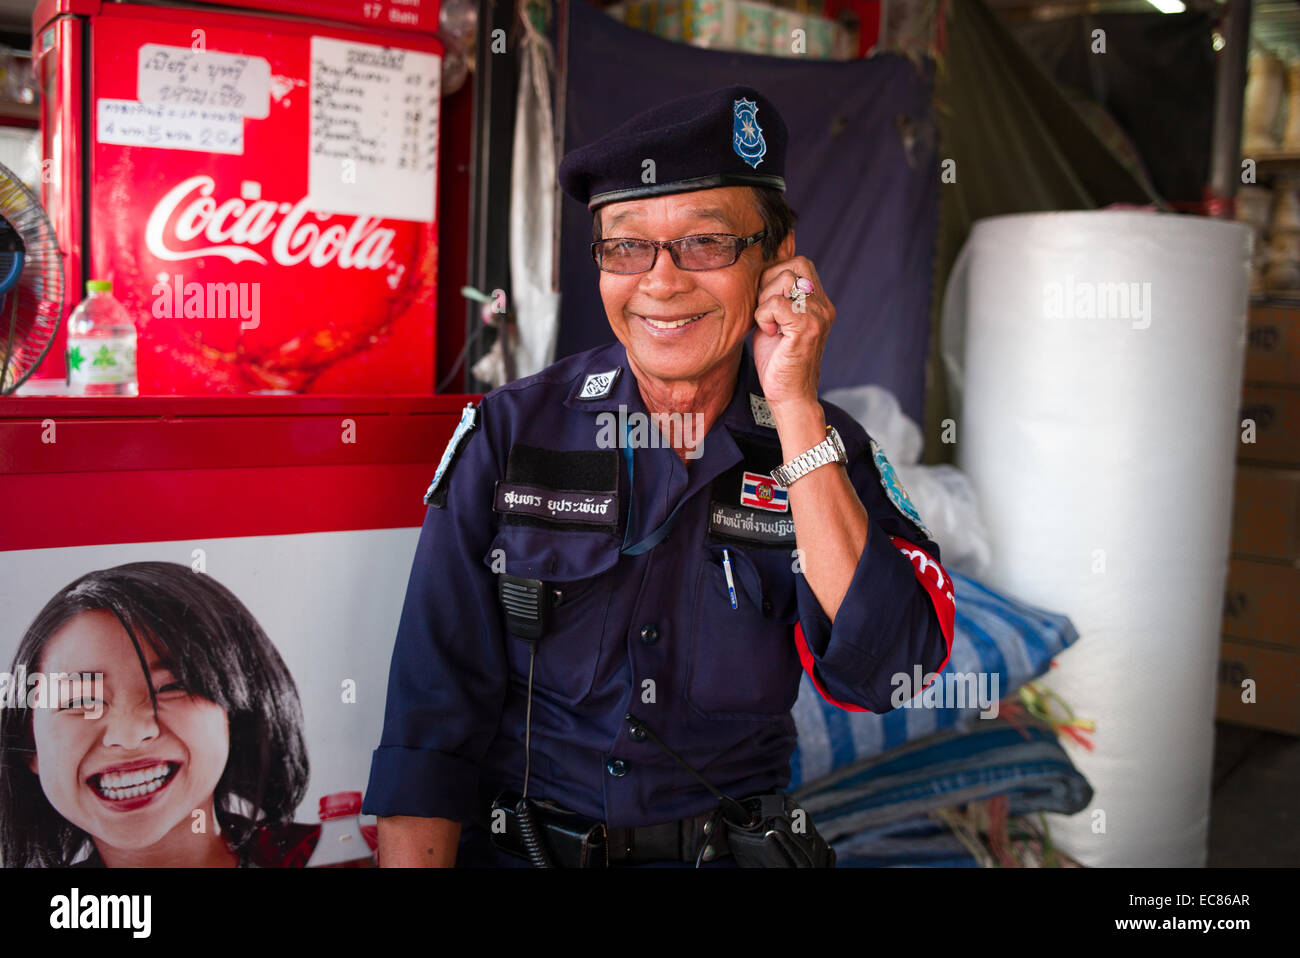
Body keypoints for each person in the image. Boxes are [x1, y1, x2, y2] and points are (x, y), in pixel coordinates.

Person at [364, 86, 955, 867]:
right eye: (626, 246)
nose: (662, 282)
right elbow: (426, 732)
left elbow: (889, 671)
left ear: (780, 262)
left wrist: (794, 409)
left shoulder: (826, 445)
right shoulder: (513, 434)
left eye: (706, 243)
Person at [0, 562, 315, 867]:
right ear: (30, 744)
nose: (129, 735)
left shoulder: (341, 857)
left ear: (234, 713)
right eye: (80, 701)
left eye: (171, 687)